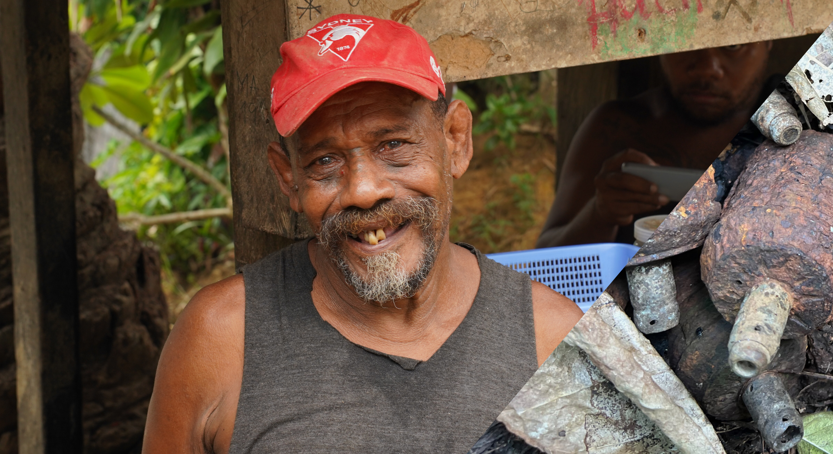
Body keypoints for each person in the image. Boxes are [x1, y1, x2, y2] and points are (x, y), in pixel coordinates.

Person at [141, 14, 584, 453]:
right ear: (288, 178)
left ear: (455, 140)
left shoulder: (554, 337)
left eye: (393, 145)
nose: (364, 191)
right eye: (324, 162)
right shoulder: (221, 339)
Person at [537, 41, 774, 247]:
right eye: (687, 42)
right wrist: (601, 213)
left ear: (768, 42)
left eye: (732, 46)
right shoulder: (616, 127)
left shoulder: (798, 119)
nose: (706, 68)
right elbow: (547, 265)